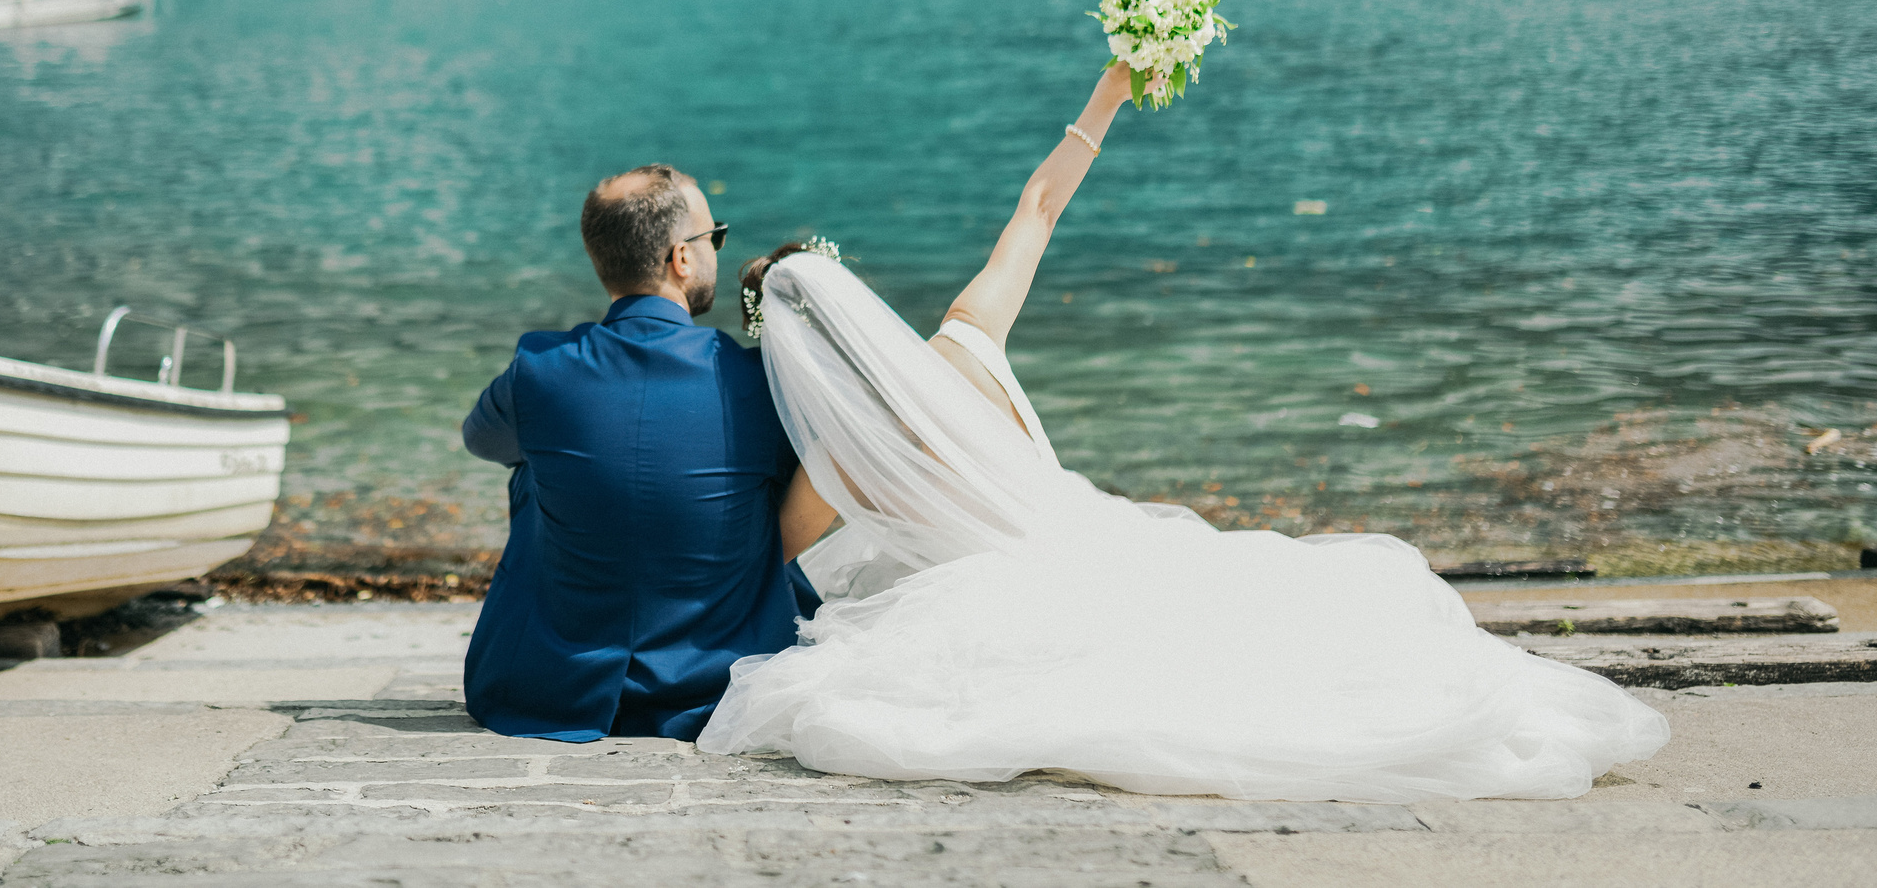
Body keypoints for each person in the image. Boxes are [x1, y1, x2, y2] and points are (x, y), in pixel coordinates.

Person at [700, 61, 1671, 801]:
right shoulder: (968, 334)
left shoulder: (835, 470)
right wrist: (1111, 88)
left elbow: (756, 563)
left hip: (1012, 592)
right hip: (1098, 537)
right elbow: (1038, 206)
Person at [460, 163, 812, 741]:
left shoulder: (539, 371)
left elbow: (481, 441)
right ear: (681, 258)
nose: (717, 251)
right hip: (724, 686)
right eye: (713, 237)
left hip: (541, 688)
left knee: (534, 462)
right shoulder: (756, 383)